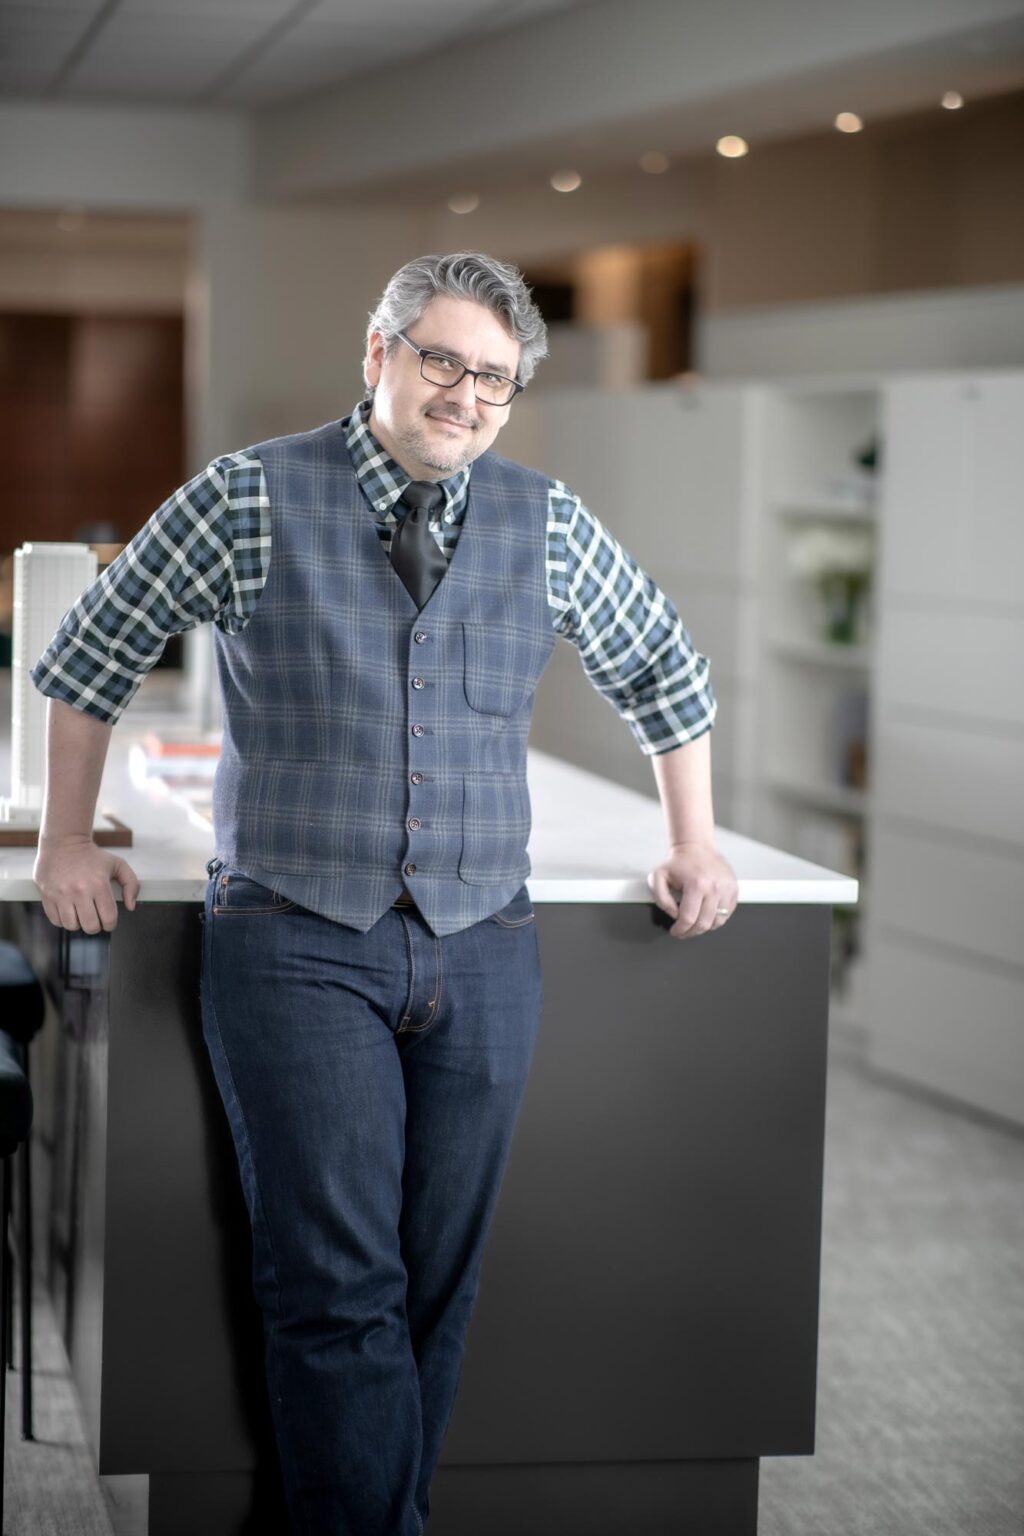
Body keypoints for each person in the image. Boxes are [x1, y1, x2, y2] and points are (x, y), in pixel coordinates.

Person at [30, 251, 738, 1535]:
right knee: (335, 1288)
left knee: (434, 1287)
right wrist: (63, 845)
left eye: (496, 380)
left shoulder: (548, 521)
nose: (466, 395)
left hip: (483, 947)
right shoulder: (249, 495)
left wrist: (694, 838)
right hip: (296, 943)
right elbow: (91, 655)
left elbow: (668, 673)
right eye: (443, 361)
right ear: (380, 353)